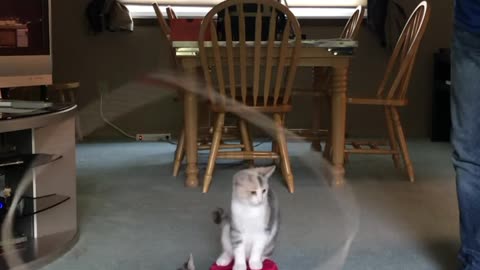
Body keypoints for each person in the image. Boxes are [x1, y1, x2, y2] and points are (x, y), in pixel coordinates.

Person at [451, 0, 480, 269]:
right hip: (470, 28)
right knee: (468, 156)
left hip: (471, 27)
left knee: (469, 156)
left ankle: (474, 258)